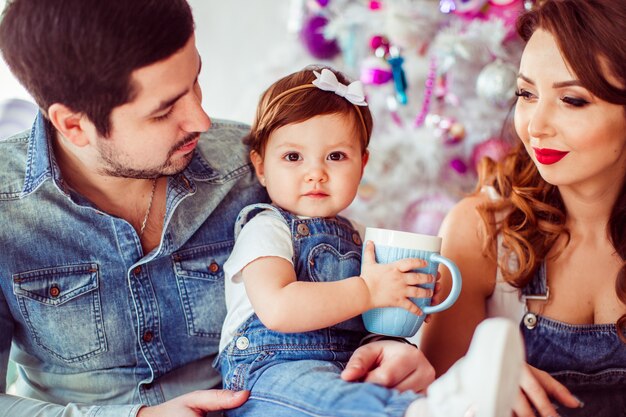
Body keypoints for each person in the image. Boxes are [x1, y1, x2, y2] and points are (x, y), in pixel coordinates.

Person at [0, 1, 440, 416]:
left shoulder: (250, 166)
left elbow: (328, 282)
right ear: (74, 125)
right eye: (164, 109)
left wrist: (391, 344)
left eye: (195, 81)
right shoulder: (7, 211)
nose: (201, 120)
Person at [215, 65, 524, 417]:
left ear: (362, 165)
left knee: (360, 393)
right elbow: (278, 308)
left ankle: (447, 400)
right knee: (333, 399)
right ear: (261, 167)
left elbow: (372, 314)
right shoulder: (266, 227)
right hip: (266, 376)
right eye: (292, 157)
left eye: (335, 156)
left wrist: (406, 293)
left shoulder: (360, 236)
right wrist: (370, 290)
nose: (315, 172)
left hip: (346, 368)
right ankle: (435, 409)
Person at [420, 1, 626, 416]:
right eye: (526, 94)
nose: (535, 125)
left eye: (572, 100)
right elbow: (430, 398)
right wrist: (473, 385)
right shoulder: (481, 231)